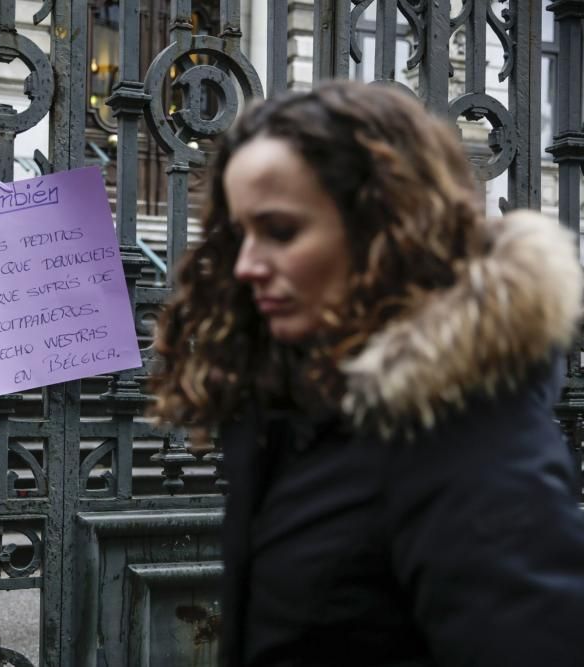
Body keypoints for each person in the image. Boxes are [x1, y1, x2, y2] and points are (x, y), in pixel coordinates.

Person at [150, 80, 584, 665]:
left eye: (280, 232)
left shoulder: (472, 439)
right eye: (240, 234)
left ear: (382, 228)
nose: (247, 265)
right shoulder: (292, 404)